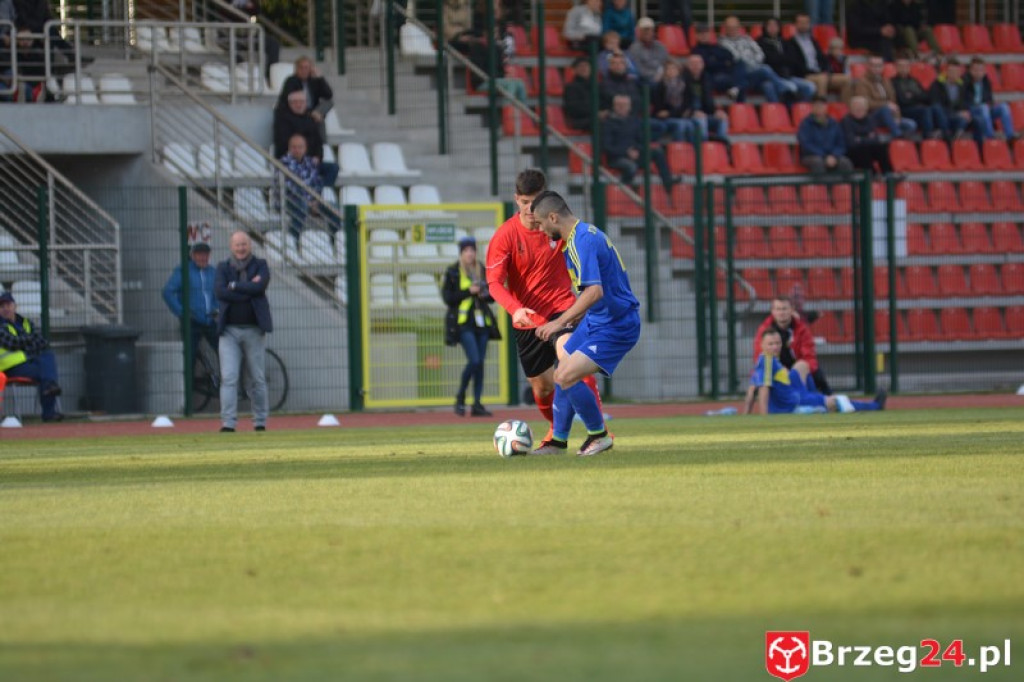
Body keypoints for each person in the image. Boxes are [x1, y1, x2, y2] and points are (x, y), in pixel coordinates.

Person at [484, 169, 606, 445]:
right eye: (525, 201)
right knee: (542, 387)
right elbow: (493, 282)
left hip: (562, 310)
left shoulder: (557, 227)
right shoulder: (505, 236)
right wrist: (515, 309)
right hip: (527, 319)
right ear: (516, 199)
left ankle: (597, 431)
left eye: (536, 200)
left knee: (570, 358)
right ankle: (556, 428)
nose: (531, 208)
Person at [531, 190, 642, 456]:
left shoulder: (581, 241)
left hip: (616, 325)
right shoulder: (582, 236)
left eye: (541, 223)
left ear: (553, 217)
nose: (541, 230)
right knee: (563, 365)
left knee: (565, 375)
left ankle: (599, 435)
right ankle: (558, 441)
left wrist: (560, 322)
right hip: (597, 319)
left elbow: (594, 292)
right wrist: (578, 317)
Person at [744, 329, 886, 415]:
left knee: (802, 365)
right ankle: (875, 406)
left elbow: (751, 390)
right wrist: (765, 417)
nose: (775, 347)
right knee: (836, 401)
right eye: (771, 344)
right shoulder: (767, 361)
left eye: (777, 343)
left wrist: (745, 415)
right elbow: (763, 389)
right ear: (761, 345)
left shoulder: (764, 361)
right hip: (795, 401)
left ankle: (817, 397)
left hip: (794, 391)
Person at [215, 231, 272, 433]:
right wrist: (248, 288)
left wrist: (235, 287)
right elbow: (220, 292)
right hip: (228, 332)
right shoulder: (222, 267)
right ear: (231, 247)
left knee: (257, 377)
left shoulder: (261, 265)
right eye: (237, 245)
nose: (241, 248)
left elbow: (260, 288)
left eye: (244, 244)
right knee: (229, 377)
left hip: (254, 330)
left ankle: (260, 422)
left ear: (250, 246)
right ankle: (228, 423)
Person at [442, 236, 498, 417]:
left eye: (472, 250)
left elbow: (493, 294)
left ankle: (477, 403)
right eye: (466, 250)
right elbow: (448, 298)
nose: (470, 253)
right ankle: (460, 397)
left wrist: (484, 293)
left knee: (480, 363)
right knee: (474, 360)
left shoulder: (482, 269)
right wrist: (469, 292)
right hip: (463, 323)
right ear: (461, 253)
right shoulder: (453, 271)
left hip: (482, 323)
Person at [0, 290, 62, 421]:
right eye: (2, 306)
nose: (5, 309)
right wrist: (29, 340)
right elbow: (12, 343)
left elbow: (42, 342)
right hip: (11, 367)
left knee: (48, 355)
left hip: (29, 361)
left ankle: (50, 391)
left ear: (15, 306)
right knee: (46, 373)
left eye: (8, 305)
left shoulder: (26, 323)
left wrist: (26, 342)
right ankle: (49, 412)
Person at [719, 15, 807, 103]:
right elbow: (737, 58)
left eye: (735, 27)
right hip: (740, 73)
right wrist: (753, 61)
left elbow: (760, 54)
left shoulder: (747, 39)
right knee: (765, 69)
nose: (732, 30)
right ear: (725, 29)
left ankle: (780, 111)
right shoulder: (723, 43)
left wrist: (753, 63)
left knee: (768, 85)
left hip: (754, 74)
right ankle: (784, 88)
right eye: (730, 27)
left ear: (739, 27)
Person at [752, 296, 831, 394]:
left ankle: (829, 400)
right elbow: (759, 356)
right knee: (757, 382)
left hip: (797, 369)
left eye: (784, 309)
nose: (781, 312)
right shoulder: (764, 329)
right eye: (778, 309)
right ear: (772, 311)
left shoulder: (802, 329)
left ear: (792, 310)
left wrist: (796, 373)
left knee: (818, 377)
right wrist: (778, 370)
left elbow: (809, 357)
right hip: (774, 368)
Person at [603, 94, 676, 193]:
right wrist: (626, 152)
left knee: (657, 152)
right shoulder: (607, 123)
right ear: (614, 106)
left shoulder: (634, 121)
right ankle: (621, 192)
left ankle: (667, 182)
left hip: (635, 154)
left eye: (624, 105)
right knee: (631, 167)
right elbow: (607, 147)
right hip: (617, 158)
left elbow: (640, 141)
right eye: (619, 105)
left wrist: (636, 150)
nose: (621, 108)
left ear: (629, 107)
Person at [162, 242, 218, 360]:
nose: (203, 257)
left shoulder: (213, 272)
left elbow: (218, 293)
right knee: (189, 356)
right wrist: (182, 312)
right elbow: (167, 292)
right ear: (192, 256)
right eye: (199, 254)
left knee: (223, 352)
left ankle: (226, 378)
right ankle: (190, 378)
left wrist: (216, 309)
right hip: (192, 321)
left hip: (211, 320)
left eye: (205, 254)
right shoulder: (183, 270)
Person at [273, 86, 339, 187]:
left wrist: (318, 157)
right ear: (290, 103)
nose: (299, 105)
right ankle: (309, 196)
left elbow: (318, 142)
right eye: (295, 102)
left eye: (301, 101)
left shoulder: (311, 118)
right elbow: (283, 144)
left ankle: (317, 193)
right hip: (294, 162)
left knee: (333, 168)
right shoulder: (282, 120)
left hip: (312, 161)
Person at [848, 55, 917, 138]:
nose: (877, 68)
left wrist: (897, 117)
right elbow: (866, 103)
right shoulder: (862, 83)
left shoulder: (886, 81)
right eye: (874, 66)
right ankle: (898, 135)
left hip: (890, 116)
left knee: (911, 124)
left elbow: (893, 102)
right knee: (885, 109)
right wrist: (885, 104)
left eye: (879, 66)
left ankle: (898, 143)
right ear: (868, 66)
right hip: (872, 116)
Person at [275, 133, 325, 242]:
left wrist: (316, 200)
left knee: (332, 207)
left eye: (300, 147)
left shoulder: (309, 162)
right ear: (289, 148)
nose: (297, 150)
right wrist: (309, 202)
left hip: (309, 201)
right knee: (302, 206)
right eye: (294, 147)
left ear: (305, 148)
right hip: (288, 201)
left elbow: (316, 182)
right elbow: (290, 188)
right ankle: (293, 240)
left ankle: (338, 240)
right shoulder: (283, 164)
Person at [274, 56, 334, 144]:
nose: (304, 70)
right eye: (301, 67)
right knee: (319, 120)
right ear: (296, 69)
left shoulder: (314, 80)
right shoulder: (291, 81)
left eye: (307, 68)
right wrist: (310, 113)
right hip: (297, 112)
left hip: (313, 111)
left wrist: (320, 78)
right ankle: (322, 144)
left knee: (329, 103)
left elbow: (328, 95)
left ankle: (317, 114)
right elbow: (290, 102)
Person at [757, 17, 817, 103]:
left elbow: (792, 59)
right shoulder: (759, 43)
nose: (772, 28)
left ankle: (799, 110)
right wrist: (781, 58)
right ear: (765, 27)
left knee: (809, 86)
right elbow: (767, 60)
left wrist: (778, 59)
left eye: (775, 25)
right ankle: (779, 112)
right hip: (769, 79)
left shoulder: (786, 42)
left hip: (788, 76)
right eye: (770, 25)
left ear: (779, 28)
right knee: (768, 86)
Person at [891, 53, 950, 139]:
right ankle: (928, 138)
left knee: (936, 107)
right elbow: (903, 101)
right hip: (904, 110)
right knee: (925, 110)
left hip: (918, 107)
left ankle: (946, 136)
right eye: (901, 66)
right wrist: (917, 96)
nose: (904, 68)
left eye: (906, 66)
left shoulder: (914, 80)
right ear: (896, 67)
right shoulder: (893, 82)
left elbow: (926, 97)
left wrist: (913, 96)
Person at [788, 13, 848, 97]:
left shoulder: (813, 41)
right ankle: (820, 107)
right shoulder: (790, 43)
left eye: (806, 23)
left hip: (820, 74)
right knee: (822, 79)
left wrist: (825, 70)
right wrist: (816, 73)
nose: (804, 26)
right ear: (795, 24)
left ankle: (845, 108)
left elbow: (822, 58)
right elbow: (795, 64)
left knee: (846, 79)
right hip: (804, 76)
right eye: (801, 23)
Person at [963, 57, 1018, 142]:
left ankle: (1009, 136)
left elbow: (989, 99)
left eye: (981, 70)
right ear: (970, 70)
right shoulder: (964, 81)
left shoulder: (986, 82)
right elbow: (962, 101)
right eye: (975, 70)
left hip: (986, 110)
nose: (978, 73)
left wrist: (991, 105)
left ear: (984, 71)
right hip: (972, 111)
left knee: (1004, 106)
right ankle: (990, 137)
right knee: (984, 107)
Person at [798, 95, 853, 174]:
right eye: (816, 105)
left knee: (845, 162)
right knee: (818, 162)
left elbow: (841, 143)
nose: (819, 108)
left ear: (826, 107)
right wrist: (824, 156)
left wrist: (834, 155)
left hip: (833, 156)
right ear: (812, 108)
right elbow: (806, 144)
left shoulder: (834, 123)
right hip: (811, 156)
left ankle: (847, 186)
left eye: (821, 105)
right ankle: (821, 186)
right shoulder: (805, 124)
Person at [841, 95, 894, 174]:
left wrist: (860, 138)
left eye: (862, 108)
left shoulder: (870, 119)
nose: (859, 110)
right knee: (864, 150)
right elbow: (851, 142)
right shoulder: (846, 121)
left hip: (867, 148)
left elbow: (876, 139)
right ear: (851, 109)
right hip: (852, 152)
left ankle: (889, 174)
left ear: (866, 109)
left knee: (881, 148)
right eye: (856, 107)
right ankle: (870, 176)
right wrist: (867, 137)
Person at [684, 54, 731, 141]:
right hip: (688, 115)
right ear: (687, 65)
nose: (696, 66)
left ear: (703, 65)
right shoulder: (682, 80)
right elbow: (680, 103)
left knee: (722, 118)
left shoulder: (706, 79)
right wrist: (693, 112)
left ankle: (721, 142)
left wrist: (716, 112)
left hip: (705, 114)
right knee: (702, 120)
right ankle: (704, 144)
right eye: (693, 63)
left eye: (698, 63)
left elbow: (709, 101)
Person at [651, 59, 698, 142]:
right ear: (665, 71)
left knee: (692, 125)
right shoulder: (660, 86)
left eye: (673, 68)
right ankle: (679, 150)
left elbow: (687, 104)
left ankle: (693, 151)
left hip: (678, 115)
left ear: (678, 71)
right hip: (665, 118)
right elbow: (660, 109)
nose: (671, 71)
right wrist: (674, 113)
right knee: (681, 124)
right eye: (668, 69)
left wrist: (672, 112)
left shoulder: (685, 85)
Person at [691, 24, 741, 100]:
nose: (704, 35)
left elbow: (730, 56)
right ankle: (736, 87)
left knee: (741, 63)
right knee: (742, 82)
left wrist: (717, 61)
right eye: (701, 33)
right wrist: (724, 63)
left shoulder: (716, 46)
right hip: (712, 77)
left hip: (726, 73)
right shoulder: (696, 50)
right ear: (696, 36)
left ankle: (735, 89)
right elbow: (709, 65)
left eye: (706, 33)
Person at [928, 57, 971, 141]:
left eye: (956, 72)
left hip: (955, 115)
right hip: (942, 115)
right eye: (951, 71)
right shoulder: (938, 84)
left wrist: (965, 111)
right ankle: (947, 138)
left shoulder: (962, 85)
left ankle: (955, 137)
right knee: (938, 109)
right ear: (946, 71)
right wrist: (956, 113)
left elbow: (965, 102)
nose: (954, 74)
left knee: (964, 119)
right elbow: (935, 103)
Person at [627, 17, 669, 85]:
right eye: (644, 30)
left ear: (653, 31)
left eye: (649, 30)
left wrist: (663, 74)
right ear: (639, 32)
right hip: (645, 80)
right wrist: (655, 75)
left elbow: (666, 62)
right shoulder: (634, 48)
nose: (647, 32)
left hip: (663, 77)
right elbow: (638, 69)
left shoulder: (660, 46)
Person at [563, 57, 594, 132]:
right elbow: (574, 108)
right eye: (581, 66)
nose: (584, 68)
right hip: (580, 121)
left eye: (586, 66)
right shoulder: (571, 87)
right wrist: (596, 113)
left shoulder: (596, 86)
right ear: (574, 70)